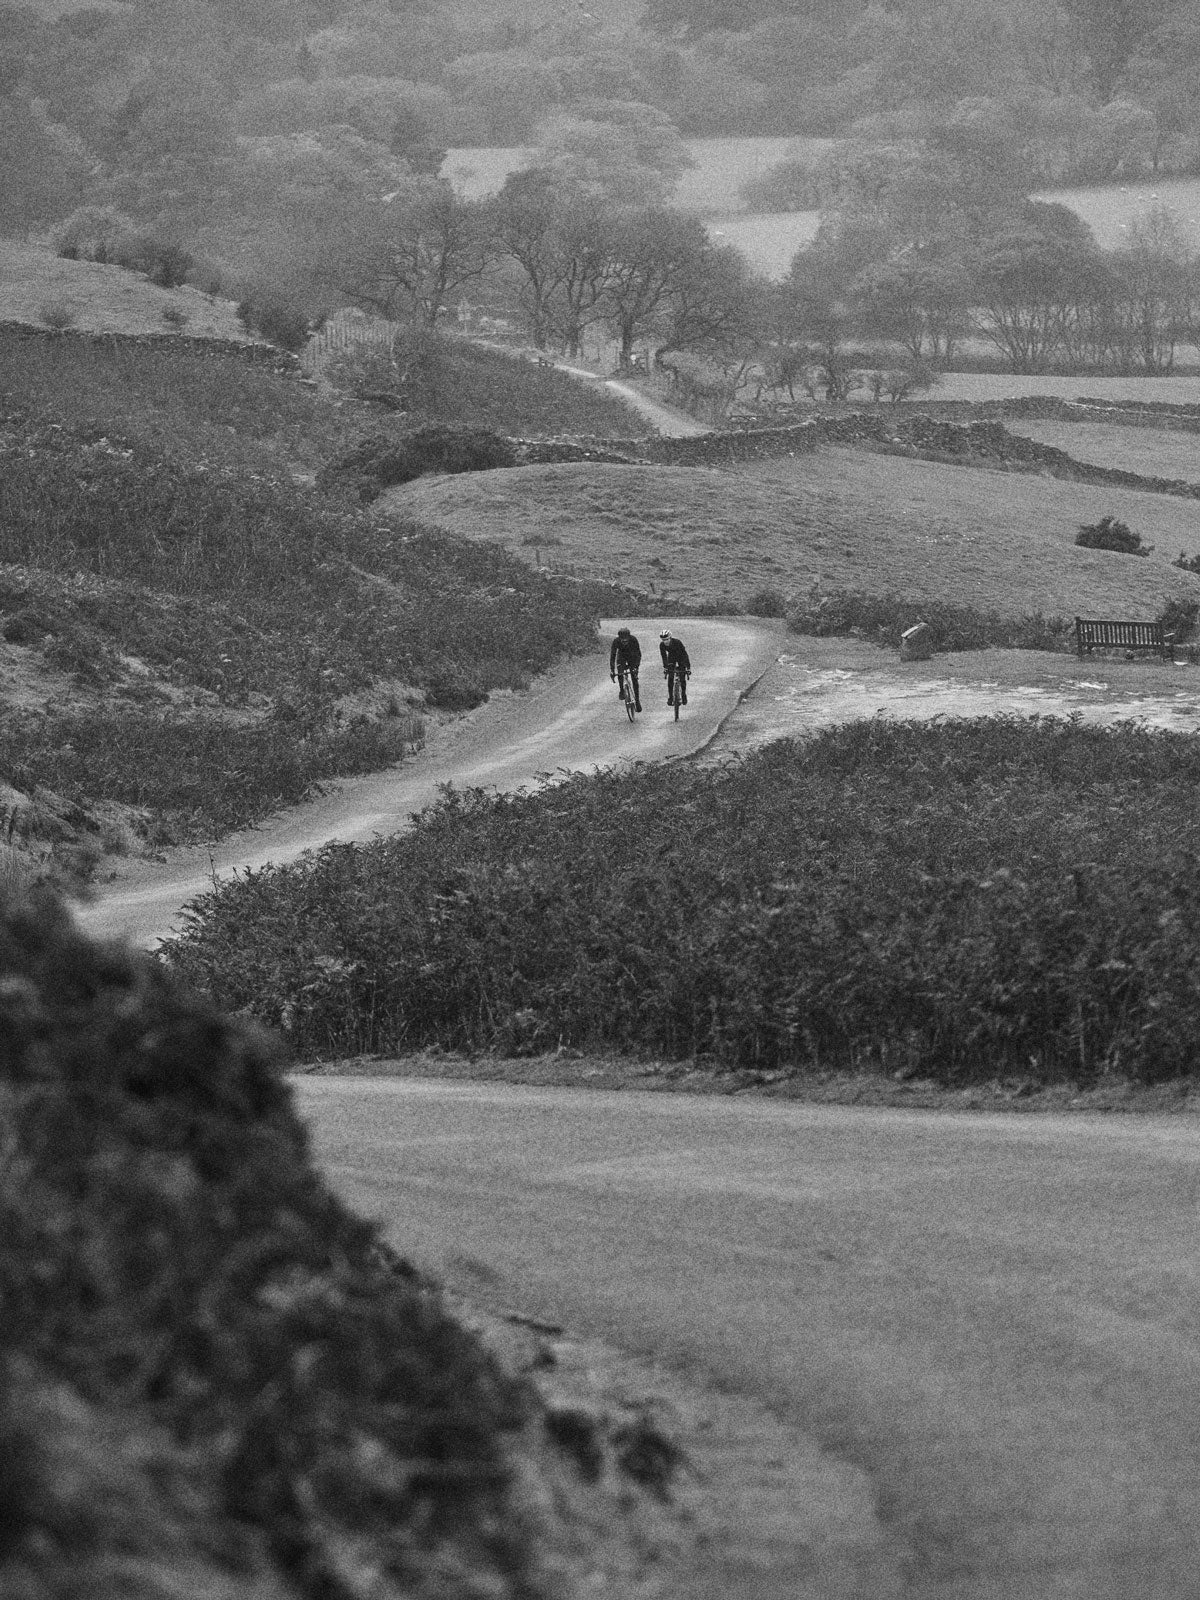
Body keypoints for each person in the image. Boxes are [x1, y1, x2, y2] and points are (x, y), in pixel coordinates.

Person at [609, 626, 642, 712]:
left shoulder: (633, 639)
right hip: (622, 657)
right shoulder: (616, 641)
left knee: (634, 678)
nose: (624, 642)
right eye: (622, 641)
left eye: (626, 641)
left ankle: (637, 700)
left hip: (632, 656)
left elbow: (638, 654)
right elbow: (613, 656)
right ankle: (621, 690)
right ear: (619, 639)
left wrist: (636, 667)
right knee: (620, 673)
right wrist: (612, 670)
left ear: (629, 638)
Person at [659, 628, 691, 706]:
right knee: (670, 677)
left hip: (681, 657)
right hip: (671, 657)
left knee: (682, 677)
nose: (665, 641)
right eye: (663, 640)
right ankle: (670, 697)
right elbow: (664, 656)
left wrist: (688, 667)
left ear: (670, 638)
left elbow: (685, 654)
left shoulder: (677, 642)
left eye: (667, 639)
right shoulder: (662, 645)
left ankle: (683, 695)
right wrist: (665, 667)